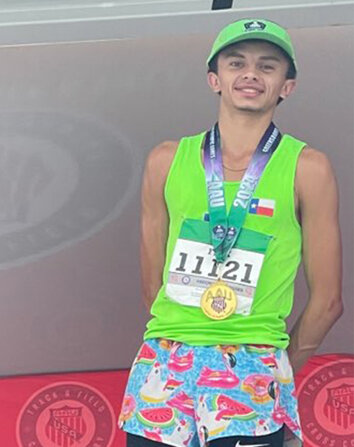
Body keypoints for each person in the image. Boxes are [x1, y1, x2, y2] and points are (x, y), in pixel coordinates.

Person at [119, 18, 343, 447]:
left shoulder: (308, 168)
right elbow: (153, 286)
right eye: (236, 62)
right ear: (214, 79)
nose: (250, 74)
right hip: (165, 360)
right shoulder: (166, 161)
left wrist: (275, 364)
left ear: (287, 86)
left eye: (268, 66)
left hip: (255, 364)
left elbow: (329, 300)